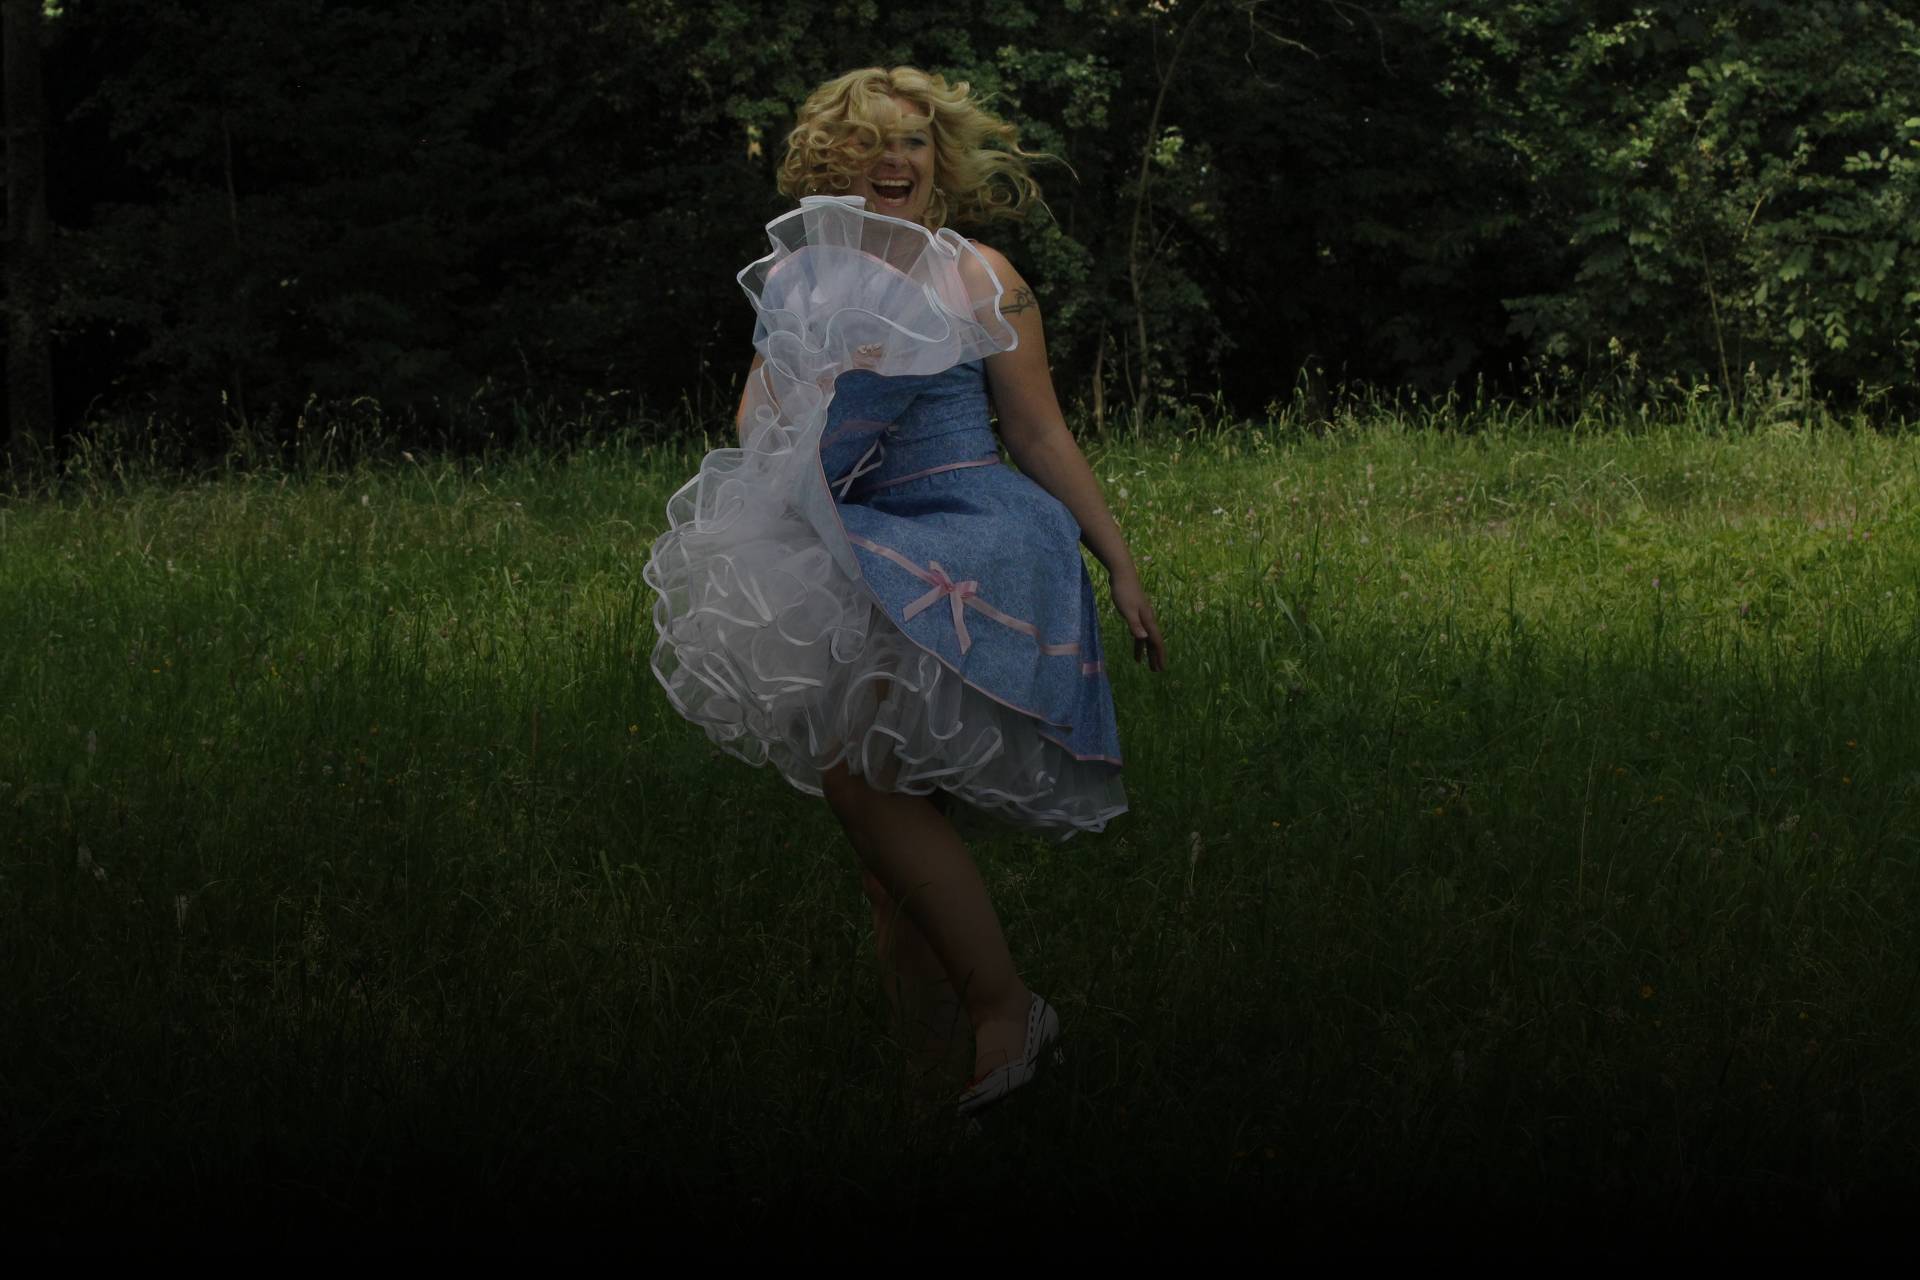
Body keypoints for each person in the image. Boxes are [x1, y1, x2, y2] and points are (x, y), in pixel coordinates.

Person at [643, 66, 1167, 1122]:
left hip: (972, 536)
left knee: (863, 779)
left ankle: (1008, 1010)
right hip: (860, 533)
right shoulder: (797, 276)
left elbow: (1038, 432)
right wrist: (820, 391)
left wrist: (1119, 561)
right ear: (833, 159)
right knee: (888, 844)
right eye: (872, 142)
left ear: (942, 161)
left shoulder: (980, 275)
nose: (896, 160)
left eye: (916, 142)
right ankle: (937, 1072)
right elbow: (760, 419)